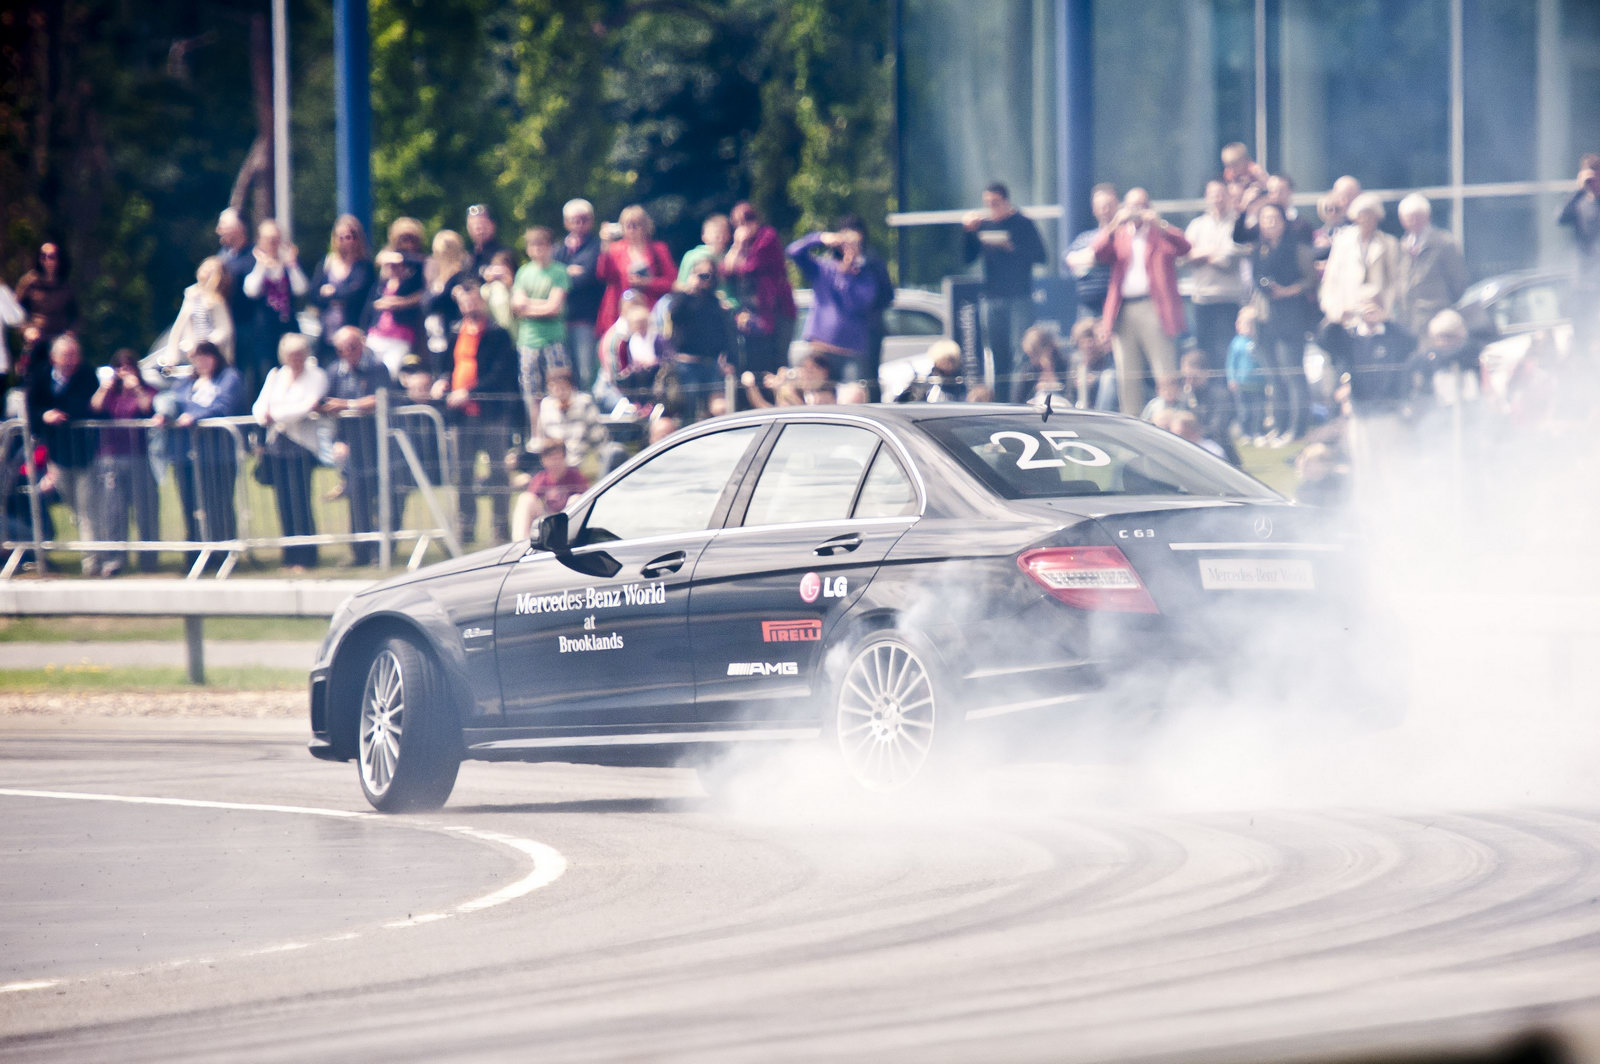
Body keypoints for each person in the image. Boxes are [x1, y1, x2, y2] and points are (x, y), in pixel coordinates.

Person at [1092, 188, 1191, 417]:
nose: (1137, 211)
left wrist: (1161, 224)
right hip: (1124, 309)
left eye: (1142, 205)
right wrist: (1115, 223)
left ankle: (1171, 417)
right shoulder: (1120, 233)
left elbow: (1185, 247)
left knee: (1164, 368)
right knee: (1127, 373)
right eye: (1132, 206)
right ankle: (1132, 420)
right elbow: (1098, 252)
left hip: (1153, 307)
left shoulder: (1159, 233)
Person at [433, 280, 518, 546]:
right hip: (461, 416)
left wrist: (471, 392)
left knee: (497, 472)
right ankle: (465, 526)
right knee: (463, 472)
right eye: (464, 302)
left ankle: (500, 528)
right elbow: (449, 365)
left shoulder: (498, 333)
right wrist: (443, 382)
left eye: (473, 301)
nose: (469, 306)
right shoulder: (455, 332)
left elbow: (501, 374)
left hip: (491, 413)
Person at [962, 182, 1047, 401]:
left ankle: (1018, 400)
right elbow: (967, 258)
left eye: (996, 203)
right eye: (988, 203)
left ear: (1005, 201)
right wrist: (968, 233)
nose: (992, 207)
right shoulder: (984, 225)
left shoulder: (1022, 223)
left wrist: (1012, 247)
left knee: (1020, 353)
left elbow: (1041, 256)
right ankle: (1000, 401)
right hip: (992, 298)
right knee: (997, 354)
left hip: (1019, 297)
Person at [167, 340, 246, 570]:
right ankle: (195, 554)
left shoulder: (229, 377)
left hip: (218, 455)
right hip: (187, 455)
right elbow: (174, 403)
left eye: (205, 356)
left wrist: (195, 416)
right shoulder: (186, 383)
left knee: (219, 504)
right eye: (196, 357)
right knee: (191, 505)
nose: (201, 361)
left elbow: (225, 405)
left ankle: (224, 554)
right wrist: (164, 414)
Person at [253, 333, 328, 571]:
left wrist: (275, 415)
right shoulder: (277, 375)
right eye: (291, 356)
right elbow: (260, 404)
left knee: (300, 501)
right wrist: (264, 415)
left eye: (299, 355)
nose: (295, 360)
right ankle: (289, 554)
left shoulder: (316, 375)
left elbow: (307, 406)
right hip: (278, 445)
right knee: (283, 502)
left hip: (301, 446)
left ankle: (307, 555)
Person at [319, 326, 392, 566]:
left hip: (377, 442)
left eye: (352, 347)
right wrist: (338, 440)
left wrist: (347, 404)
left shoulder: (376, 368)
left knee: (381, 498)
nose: (347, 353)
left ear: (361, 344)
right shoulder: (334, 371)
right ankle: (360, 553)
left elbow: (378, 399)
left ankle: (382, 551)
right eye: (342, 349)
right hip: (352, 445)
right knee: (357, 498)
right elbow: (327, 403)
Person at [1245, 203, 1317, 444]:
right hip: (1265, 319)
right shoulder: (1258, 250)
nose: (1270, 223)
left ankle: (1298, 427)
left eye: (1275, 218)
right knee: (1273, 376)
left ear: (1284, 222)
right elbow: (1255, 281)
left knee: (1292, 374)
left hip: (1291, 318)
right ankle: (1279, 424)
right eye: (1265, 219)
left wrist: (1287, 291)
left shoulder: (1298, 249)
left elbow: (1311, 281)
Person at [26, 334, 99, 573]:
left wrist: (62, 413)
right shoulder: (41, 376)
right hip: (57, 456)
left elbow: (87, 405)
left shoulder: (86, 374)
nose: (71, 360)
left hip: (85, 454)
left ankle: (92, 563)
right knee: (75, 507)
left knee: (88, 509)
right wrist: (44, 416)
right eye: (66, 355)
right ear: (54, 357)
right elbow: (31, 409)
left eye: (74, 355)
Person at [89, 348, 159, 576]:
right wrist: (104, 388)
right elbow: (95, 408)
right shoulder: (110, 392)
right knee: (114, 510)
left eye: (128, 367)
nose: (124, 372)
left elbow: (148, 407)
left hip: (139, 456)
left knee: (145, 509)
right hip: (111, 457)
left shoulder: (145, 388)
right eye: (120, 367)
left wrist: (136, 388)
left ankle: (148, 558)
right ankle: (115, 559)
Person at [786, 226, 883, 384]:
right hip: (821, 350)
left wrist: (846, 275)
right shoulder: (824, 269)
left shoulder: (866, 277)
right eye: (846, 245)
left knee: (853, 398)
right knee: (818, 399)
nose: (850, 250)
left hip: (850, 353)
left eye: (855, 245)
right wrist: (820, 238)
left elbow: (858, 305)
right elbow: (793, 252)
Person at [723, 202, 798, 380]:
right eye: (738, 223)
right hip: (754, 315)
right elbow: (726, 270)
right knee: (755, 362)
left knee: (777, 361)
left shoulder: (768, 236)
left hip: (778, 312)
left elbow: (748, 267)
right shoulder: (742, 244)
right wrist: (737, 245)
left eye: (748, 219)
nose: (744, 226)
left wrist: (740, 248)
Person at [1321, 193, 1402, 351]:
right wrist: (1334, 309)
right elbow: (1331, 278)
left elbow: (1394, 280)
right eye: (1362, 216)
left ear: (1377, 218)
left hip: (1375, 312)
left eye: (1370, 216)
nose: (1366, 220)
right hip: (1348, 310)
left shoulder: (1388, 243)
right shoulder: (1343, 242)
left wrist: (1386, 311)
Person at [1184, 179, 1250, 370]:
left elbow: (1231, 257)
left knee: (1228, 351)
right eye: (1213, 195)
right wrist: (1214, 252)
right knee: (1204, 352)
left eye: (1222, 194)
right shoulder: (1196, 226)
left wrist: (1203, 254)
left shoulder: (1236, 225)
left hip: (1229, 299)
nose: (1218, 199)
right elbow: (1185, 255)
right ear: (1207, 197)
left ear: (1228, 196)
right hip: (1203, 299)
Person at [511, 226, 570, 436]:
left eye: (542, 245)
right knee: (531, 392)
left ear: (550, 247)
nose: (538, 249)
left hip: (553, 340)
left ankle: (560, 436)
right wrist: (540, 306)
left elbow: (553, 308)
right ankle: (537, 437)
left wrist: (529, 306)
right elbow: (516, 305)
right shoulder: (523, 272)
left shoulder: (559, 271)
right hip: (527, 342)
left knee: (558, 390)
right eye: (533, 245)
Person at [240, 219, 308, 401]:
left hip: (288, 327)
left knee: (293, 370)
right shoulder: (252, 262)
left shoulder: (288, 263)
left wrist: (292, 265)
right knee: (267, 373)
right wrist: (262, 265)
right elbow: (251, 291)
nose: (272, 243)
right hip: (264, 331)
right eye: (268, 239)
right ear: (260, 240)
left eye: (276, 238)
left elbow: (301, 289)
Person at [665, 257, 735, 420]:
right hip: (687, 365)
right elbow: (674, 315)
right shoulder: (683, 299)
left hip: (710, 364)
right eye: (702, 275)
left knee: (717, 410)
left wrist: (729, 359)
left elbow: (724, 333)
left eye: (709, 275)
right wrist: (688, 289)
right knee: (688, 412)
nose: (706, 279)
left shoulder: (715, 302)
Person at [1395, 194, 1469, 340]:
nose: (1412, 221)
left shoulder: (1444, 243)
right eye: (1408, 217)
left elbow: (1459, 281)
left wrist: (1442, 306)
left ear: (1427, 217)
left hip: (1435, 320)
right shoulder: (1403, 245)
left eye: (1417, 216)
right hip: (1407, 322)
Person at [595, 205, 676, 336]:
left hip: (650, 316)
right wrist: (605, 247)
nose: (632, 229)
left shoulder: (659, 249)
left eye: (636, 225)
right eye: (628, 225)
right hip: (620, 314)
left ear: (646, 226)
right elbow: (603, 275)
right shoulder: (614, 249)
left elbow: (672, 283)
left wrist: (648, 283)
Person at [363, 220, 427, 375]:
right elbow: (369, 308)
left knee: (391, 373)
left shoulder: (417, 272)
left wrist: (400, 303)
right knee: (368, 371)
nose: (407, 243)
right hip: (376, 333)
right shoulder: (382, 282)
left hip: (400, 335)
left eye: (411, 238)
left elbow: (423, 294)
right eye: (403, 239)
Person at [554, 198, 604, 391]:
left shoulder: (597, 247)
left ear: (591, 220)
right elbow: (552, 277)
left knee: (585, 373)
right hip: (561, 321)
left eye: (584, 219)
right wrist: (569, 272)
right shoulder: (559, 249)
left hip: (586, 320)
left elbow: (588, 277)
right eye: (574, 219)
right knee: (565, 373)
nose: (579, 224)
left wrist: (562, 275)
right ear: (566, 222)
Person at [309, 215, 375, 362]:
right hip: (327, 333)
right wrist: (337, 296)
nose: (346, 242)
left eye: (350, 237)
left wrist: (332, 292)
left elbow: (356, 294)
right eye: (341, 237)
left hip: (353, 330)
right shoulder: (326, 263)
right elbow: (314, 294)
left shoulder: (364, 267)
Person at [163, 256, 236, 378]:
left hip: (213, 352)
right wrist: (173, 353)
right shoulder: (191, 295)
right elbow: (179, 326)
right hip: (194, 351)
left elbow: (225, 330)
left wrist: (206, 344)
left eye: (211, 270)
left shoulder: (216, 300)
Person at [15, 241, 78, 381]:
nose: (47, 260)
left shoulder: (65, 284)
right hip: (36, 340)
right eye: (44, 256)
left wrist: (71, 332)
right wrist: (27, 329)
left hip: (58, 340)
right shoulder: (29, 282)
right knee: (34, 377)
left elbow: (76, 314)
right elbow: (16, 313)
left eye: (52, 256)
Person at [1557, 153, 1600, 358]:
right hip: (1583, 282)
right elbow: (1560, 219)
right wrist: (1578, 189)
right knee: (1582, 333)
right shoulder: (1579, 203)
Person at [595, 289, 664, 414]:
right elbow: (616, 375)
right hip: (612, 389)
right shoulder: (616, 337)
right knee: (629, 412)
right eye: (630, 307)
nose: (634, 311)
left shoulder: (652, 334)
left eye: (637, 305)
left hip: (644, 387)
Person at [511, 436, 591, 541]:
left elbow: (588, 500)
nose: (556, 462)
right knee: (525, 498)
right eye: (552, 459)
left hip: (569, 519)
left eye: (558, 458)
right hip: (548, 520)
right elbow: (532, 499)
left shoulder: (575, 476)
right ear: (544, 461)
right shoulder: (542, 478)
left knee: (576, 499)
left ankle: (572, 540)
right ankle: (520, 542)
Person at [536, 367, 608, 475]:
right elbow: (543, 439)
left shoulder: (585, 403)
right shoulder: (546, 405)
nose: (558, 391)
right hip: (556, 464)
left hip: (582, 461)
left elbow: (597, 438)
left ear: (571, 387)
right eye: (554, 387)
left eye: (562, 387)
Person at [1064, 183, 1120, 320]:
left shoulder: (1124, 236)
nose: (1105, 210)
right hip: (1087, 309)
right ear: (1094, 210)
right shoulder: (1084, 238)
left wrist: (1089, 257)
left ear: (1117, 206)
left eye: (1109, 206)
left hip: (1117, 306)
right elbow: (1068, 260)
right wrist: (1096, 256)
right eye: (1101, 207)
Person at [1177, 348, 1241, 465]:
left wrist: (1195, 433)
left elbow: (1218, 428)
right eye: (1186, 377)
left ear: (1205, 373)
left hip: (1218, 452)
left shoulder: (1221, 395)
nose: (1189, 381)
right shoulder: (1185, 397)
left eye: (1194, 377)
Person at [424, 229, 472, 370]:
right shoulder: (438, 279)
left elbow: (434, 303)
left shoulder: (459, 277)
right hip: (434, 336)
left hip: (450, 334)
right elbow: (425, 304)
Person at [1226, 305, 1267, 443]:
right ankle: (1246, 432)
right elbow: (1231, 363)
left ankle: (1258, 432)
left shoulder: (1259, 342)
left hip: (1258, 384)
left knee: (1259, 410)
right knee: (1245, 411)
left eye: (1252, 325)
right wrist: (1231, 379)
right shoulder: (1236, 343)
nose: (1249, 328)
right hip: (1242, 384)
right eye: (1245, 324)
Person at [1068, 317, 1117, 411]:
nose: (1088, 346)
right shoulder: (1075, 361)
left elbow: (1113, 376)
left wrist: (1095, 380)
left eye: (1091, 341)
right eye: (1083, 342)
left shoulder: (1109, 356)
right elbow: (1069, 395)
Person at [1015, 324, 1070, 404]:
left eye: (1035, 354)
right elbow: (1018, 399)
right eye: (1030, 356)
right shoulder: (1029, 371)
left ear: (1048, 348)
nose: (1032, 360)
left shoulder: (1066, 365)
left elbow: (1071, 395)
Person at [464, 203, 509, 282]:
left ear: (492, 225)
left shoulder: (504, 255)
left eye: (483, 224)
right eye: (474, 225)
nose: (479, 229)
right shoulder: (466, 258)